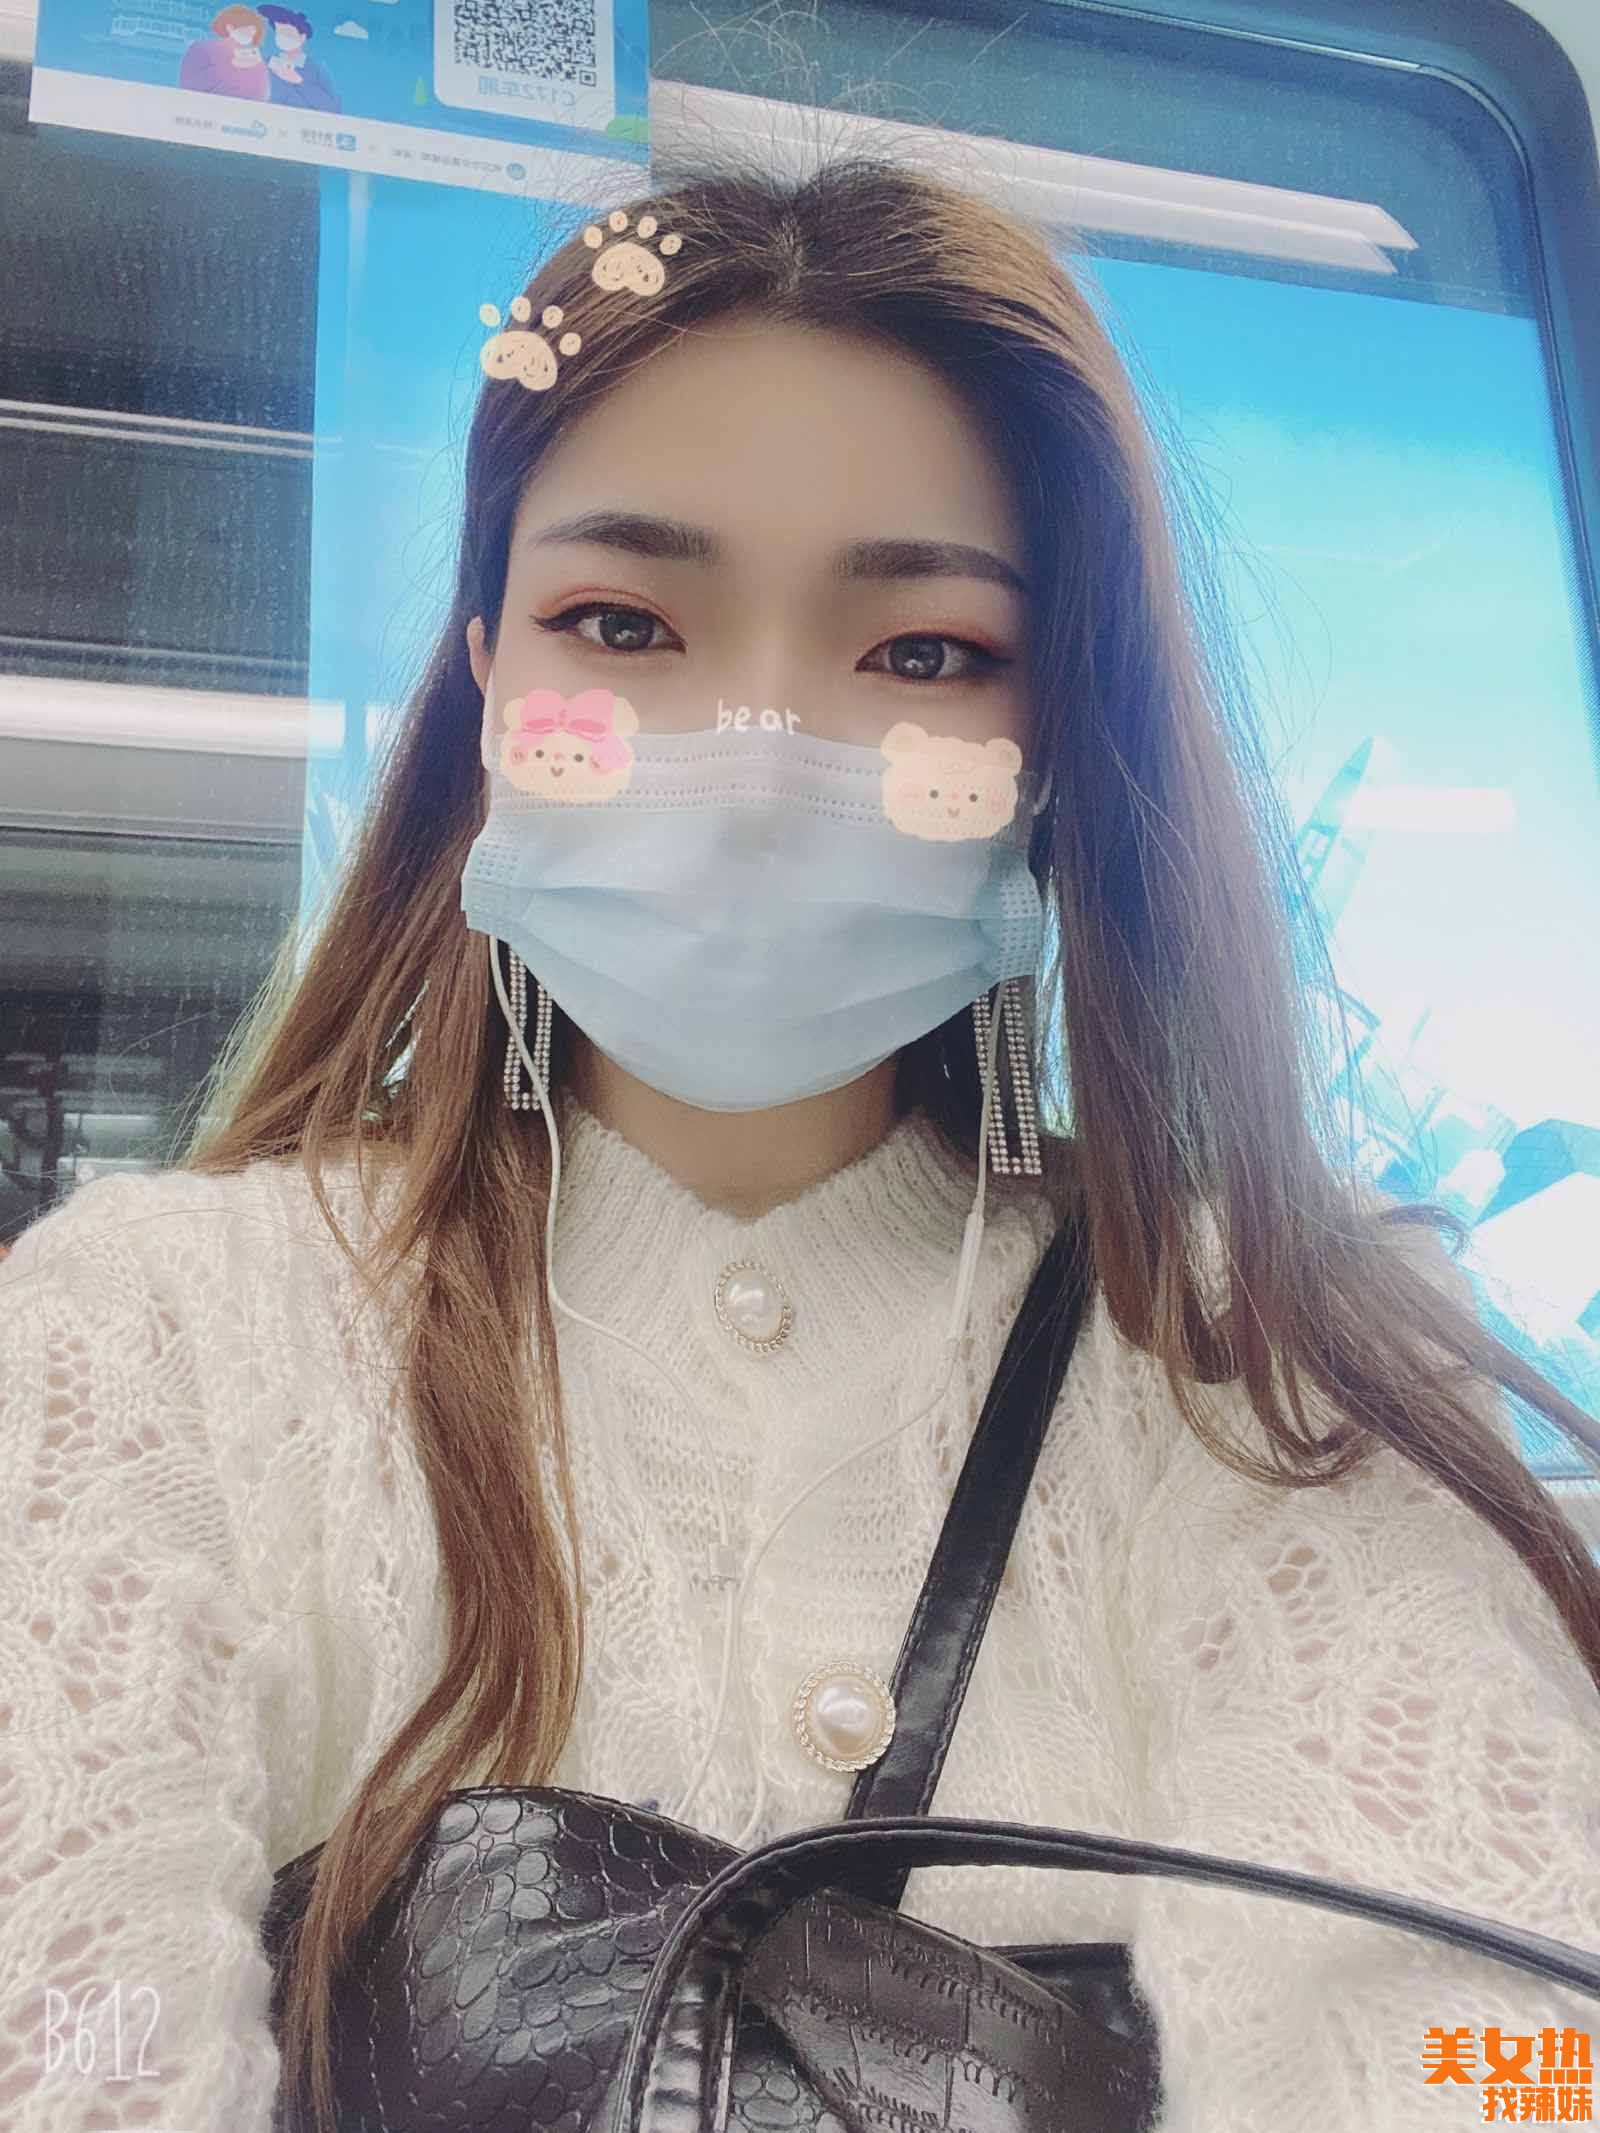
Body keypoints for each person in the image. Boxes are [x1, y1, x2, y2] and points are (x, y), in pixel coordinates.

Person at [1, 158, 1597, 2133]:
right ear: (488, 678)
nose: (759, 759)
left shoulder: (1280, 1345)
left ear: (1052, 741)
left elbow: (1508, 2069)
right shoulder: (146, 1342)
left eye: (922, 651)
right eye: (621, 619)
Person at [177, 3, 272, 101]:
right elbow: (190, 85)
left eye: (253, 30)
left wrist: (258, 68)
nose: (250, 33)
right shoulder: (202, 48)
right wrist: (232, 66)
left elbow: (262, 95)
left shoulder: (255, 60)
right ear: (230, 27)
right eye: (246, 29)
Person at [259, 6, 341, 115]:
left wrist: (299, 81)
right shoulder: (267, 63)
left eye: (288, 33)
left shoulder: (316, 68)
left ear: (302, 37)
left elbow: (332, 108)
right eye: (279, 33)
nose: (283, 37)